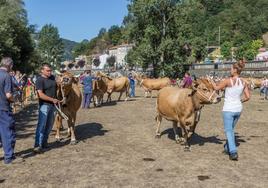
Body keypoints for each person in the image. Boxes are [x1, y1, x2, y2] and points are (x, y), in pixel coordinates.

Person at [210, 59, 250, 161]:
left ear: (235, 70)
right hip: (238, 109)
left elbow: (216, 88)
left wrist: (211, 81)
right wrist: (240, 101)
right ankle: (227, 148)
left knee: (228, 131)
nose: (230, 70)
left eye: (231, 69)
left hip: (228, 109)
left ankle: (233, 152)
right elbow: (248, 97)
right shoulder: (243, 82)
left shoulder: (227, 81)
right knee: (231, 130)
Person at [0, 57, 21, 164]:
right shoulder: (7, 76)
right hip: (3, 108)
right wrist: (15, 101)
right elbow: (8, 95)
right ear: (10, 66)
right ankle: (9, 157)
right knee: (8, 132)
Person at [34, 63, 59, 152]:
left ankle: (44, 143)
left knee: (49, 126)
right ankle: (37, 145)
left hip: (53, 106)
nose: (49, 72)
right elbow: (40, 95)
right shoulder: (39, 80)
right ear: (42, 70)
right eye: (47, 71)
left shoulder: (52, 78)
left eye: (50, 70)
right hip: (44, 106)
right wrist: (52, 100)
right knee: (41, 126)